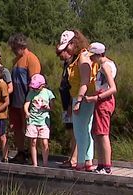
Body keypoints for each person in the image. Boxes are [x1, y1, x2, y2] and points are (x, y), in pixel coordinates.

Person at [58, 30, 98, 172]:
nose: (66, 50)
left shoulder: (82, 57)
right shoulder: (81, 56)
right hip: (83, 96)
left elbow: (85, 81)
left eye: (67, 46)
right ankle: (87, 160)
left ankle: (81, 161)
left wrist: (79, 100)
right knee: (85, 129)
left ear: (74, 43)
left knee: (80, 131)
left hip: (82, 97)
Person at [7, 33, 41, 164]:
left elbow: (36, 81)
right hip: (15, 100)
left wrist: (30, 100)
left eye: (14, 47)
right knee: (17, 127)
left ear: (20, 46)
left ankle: (32, 154)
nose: (13, 50)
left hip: (26, 100)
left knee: (30, 128)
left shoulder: (31, 59)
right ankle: (21, 152)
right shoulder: (16, 60)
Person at [85, 42, 117, 175]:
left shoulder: (105, 66)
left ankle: (107, 166)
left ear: (99, 55)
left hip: (104, 101)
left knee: (103, 134)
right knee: (98, 133)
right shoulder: (104, 65)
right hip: (101, 100)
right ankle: (101, 164)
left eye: (92, 56)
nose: (91, 59)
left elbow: (113, 88)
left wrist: (96, 98)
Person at [24, 74, 55, 167]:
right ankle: (35, 163)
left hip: (43, 121)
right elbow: (26, 104)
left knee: (44, 142)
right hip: (33, 120)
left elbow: (52, 106)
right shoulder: (31, 93)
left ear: (42, 85)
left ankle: (45, 163)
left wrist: (48, 107)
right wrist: (27, 112)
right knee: (33, 141)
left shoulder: (48, 93)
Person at [56, 45, 78, 169]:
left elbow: (73, 87)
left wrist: (70, 104)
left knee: (75, 131)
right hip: (65, 102)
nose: (59, 57)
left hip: (70, 102)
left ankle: (75, 158)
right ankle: (71, 156)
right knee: (69, 130)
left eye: (60, 54)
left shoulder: (74, 64)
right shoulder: (66, 64)